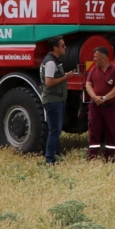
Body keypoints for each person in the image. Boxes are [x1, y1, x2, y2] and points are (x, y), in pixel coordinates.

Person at [85, 46, 115, 161]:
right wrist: (94, 97)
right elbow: (88, 84)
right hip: (95, 106)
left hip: (111, 106)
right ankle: (92, 157)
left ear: (103, 58)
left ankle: (109, 157)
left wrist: (105, 98)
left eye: (96, 57)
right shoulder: (93, 70)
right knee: (93, 131)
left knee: (111, 131)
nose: (94, 59)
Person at [40, 35, 74, 165]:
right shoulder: (50, 62)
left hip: (57, 99)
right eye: (62, 45)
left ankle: (56, 155)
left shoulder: (54, 60)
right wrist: (66, 76)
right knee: (54, 131)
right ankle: (50, 159)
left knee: (56, 130)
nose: (65, 47)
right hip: (53, 100)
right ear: (55, 48)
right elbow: (49, 81)